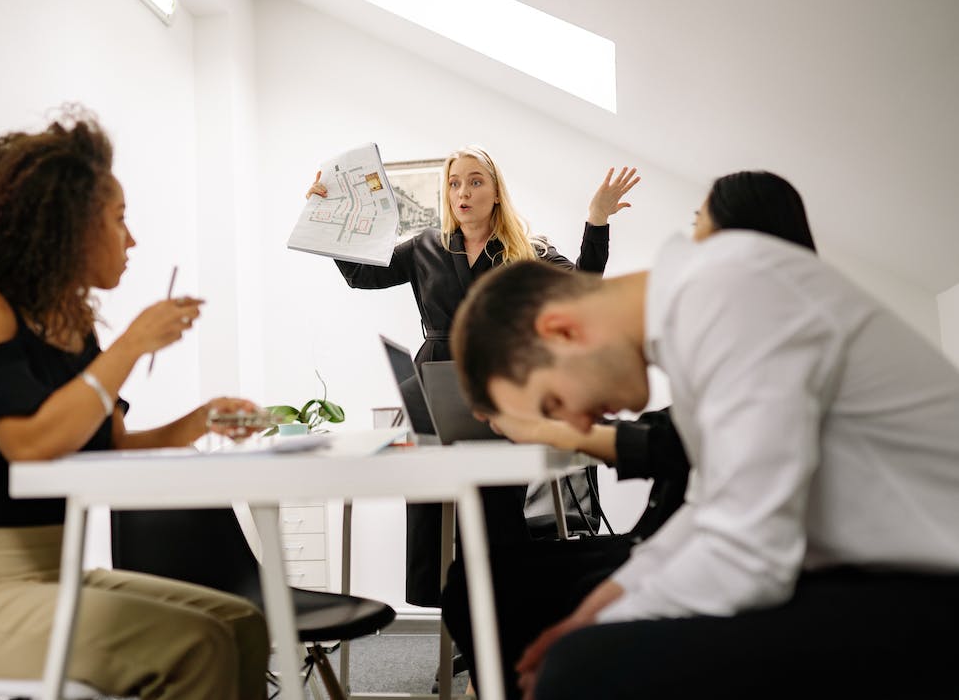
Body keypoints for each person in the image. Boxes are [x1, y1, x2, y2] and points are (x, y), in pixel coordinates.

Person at [450, 178, 959, 698]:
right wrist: (598, 606)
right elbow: (707, 508)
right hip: (883, 572)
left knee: (580, 670)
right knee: (577, 645)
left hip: (934, 587)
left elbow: (749, 553)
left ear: (561, 331)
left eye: (554, 403)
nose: (576, 428)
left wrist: (599, 629)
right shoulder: (695, 307)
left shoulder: (727, 292)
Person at [0, 108, 270, 700]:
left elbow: (113, 447)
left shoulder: (74, 327)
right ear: (64, 226)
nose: (131, 239)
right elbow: (30, 444)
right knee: (195, 646)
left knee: (243, 625)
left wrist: (202, 419)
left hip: (58, 577)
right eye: (119, 219)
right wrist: (129, 346)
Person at [308, 146, 640, 607]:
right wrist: (329, 216)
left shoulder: (527, 250)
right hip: (435, 383)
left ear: (496, 192)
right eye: (454, 182)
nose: (463, 191)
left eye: (475, 181)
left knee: (497, 511)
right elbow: (361, 275)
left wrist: (597, 220)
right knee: (435, 510)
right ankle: (459, 624)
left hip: (500, 386)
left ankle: (499, 624)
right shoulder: (425, 245)